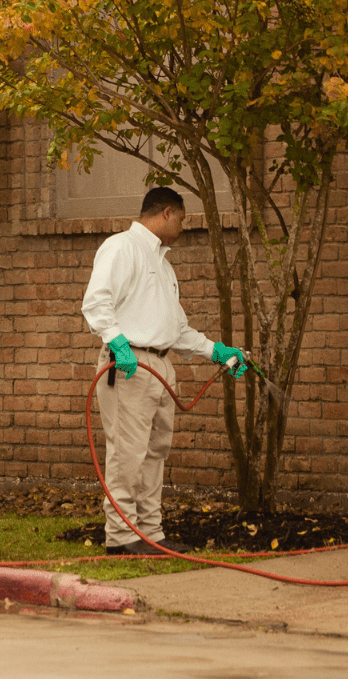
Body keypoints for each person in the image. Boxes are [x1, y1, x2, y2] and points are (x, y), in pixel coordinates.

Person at [81, 186, 247, 555]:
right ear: (167, 213)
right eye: (184, 219)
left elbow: (177, 329)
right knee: (128, 453)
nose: (184, 227)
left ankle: (150, 533)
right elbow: (96, 300)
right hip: (129, 365)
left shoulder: (163, 264)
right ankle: (122, 538)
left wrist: (216, 352)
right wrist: (116, 341)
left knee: (155, 452)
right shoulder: (121, 247)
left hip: (160, 364)